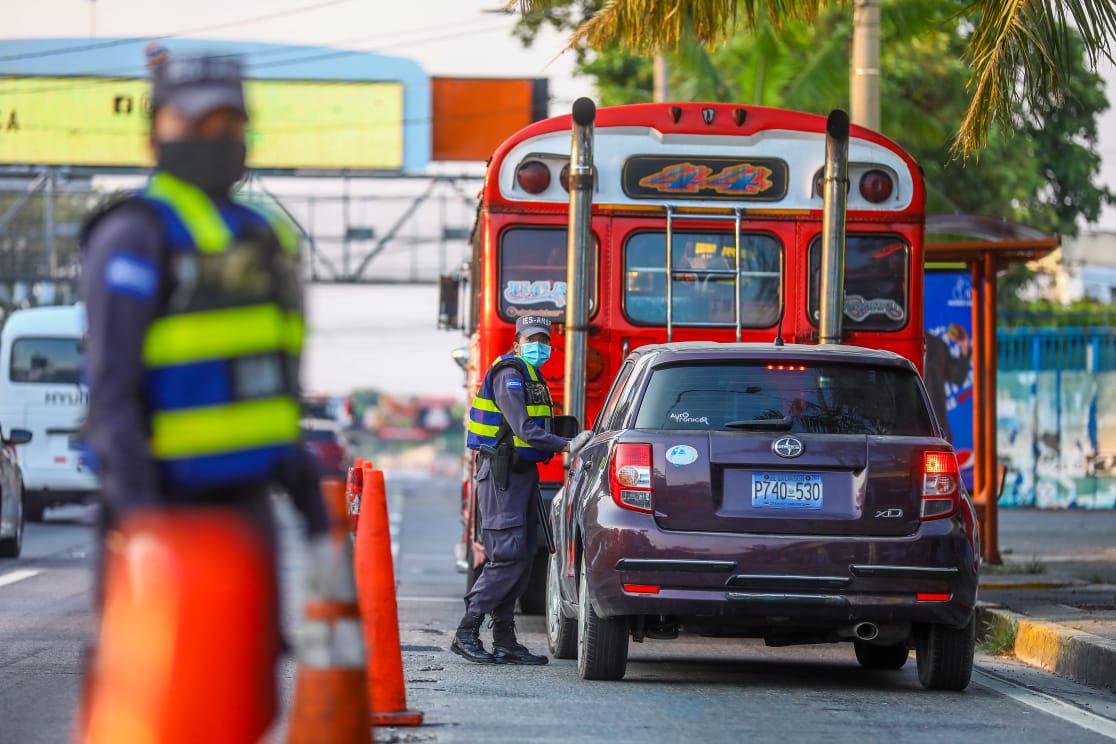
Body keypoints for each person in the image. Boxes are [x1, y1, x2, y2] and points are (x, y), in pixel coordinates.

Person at [79, 52, 329, 689]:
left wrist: (301, 481)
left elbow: (273, 381)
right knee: (149, 702)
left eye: (227, 123)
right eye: (192, 123)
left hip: (248, 512)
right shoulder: (134, 235)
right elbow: (111, 395)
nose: (212, 138)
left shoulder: (268, 239)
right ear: (154, 135)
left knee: (244, 699)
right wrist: (142, 527)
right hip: (164, 508)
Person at [454, 315, 592, 665]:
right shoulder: (509, 374)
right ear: (517, 344)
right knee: (508, 553)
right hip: (502, 475)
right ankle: (467, 631)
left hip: (520, 474)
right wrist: (567, 444)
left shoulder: (531, 375)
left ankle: (505, 640)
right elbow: (524, 428)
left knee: (525, 553)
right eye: (532, 340)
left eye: (544, 340)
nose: (539, 346)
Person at [924, 326, 972, 443]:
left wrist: (964, 346)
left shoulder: (937, 344)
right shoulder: (895, 345)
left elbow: (957, 377)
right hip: (904, 424)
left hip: (936, 423)